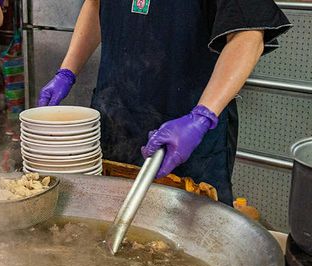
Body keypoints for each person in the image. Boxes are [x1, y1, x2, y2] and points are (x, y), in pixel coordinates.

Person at [38, 0, 291, 204]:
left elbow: (248, 36)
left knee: (190, 241)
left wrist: (201, 117)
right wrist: (67, 72)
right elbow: (95, 5)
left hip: (186, 133)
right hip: (115, 123)